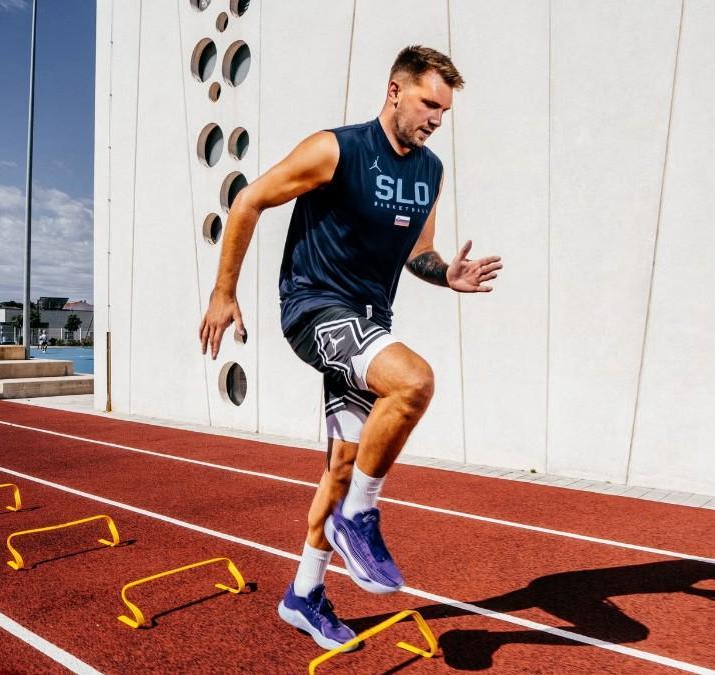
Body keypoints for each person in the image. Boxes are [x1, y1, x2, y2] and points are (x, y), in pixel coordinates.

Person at [200, 45, 501, 650]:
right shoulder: (334, 149)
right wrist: (222, 291)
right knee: (413, 381)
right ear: (395, 91)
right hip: (314, 309)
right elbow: (248, 200)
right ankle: (359, 519)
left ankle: (304, 594)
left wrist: (448, 276)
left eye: (444, 110)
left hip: (370, 322)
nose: (436, 118)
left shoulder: (430, 172)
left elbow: (420, 253)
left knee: (342, 465)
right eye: (428, 103)